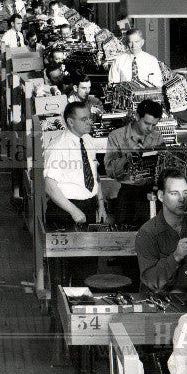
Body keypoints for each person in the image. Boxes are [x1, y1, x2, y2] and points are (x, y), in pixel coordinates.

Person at [42, 102, 107, 285]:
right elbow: (50, 185)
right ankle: (62, 308)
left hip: (88, 207)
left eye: (89, 117)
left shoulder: (87, 140)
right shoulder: (58, 147)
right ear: (70, 122)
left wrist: (100, 204)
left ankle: (82, 303)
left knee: (87, 267)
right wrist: (73, 211)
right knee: (63, 270)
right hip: (65, 210)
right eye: (84, 119)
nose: (90, 122)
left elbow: (95, 176)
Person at [135, 168, 187, 293]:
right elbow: (151, 281)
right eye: (174, 193)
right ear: (160, 196)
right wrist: (175, 257)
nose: (182, 199)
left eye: (185, 193)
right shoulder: (147, 233)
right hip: (161, 303)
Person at [105, 99, 164, 226]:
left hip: (150, 192)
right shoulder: (116, 136)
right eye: (147, 123)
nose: (150, 129)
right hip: (127, 194)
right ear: (137, 116)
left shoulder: (157, 137)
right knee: (124, 236)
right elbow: (110, 171)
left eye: (154, 125)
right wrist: (129, 156)